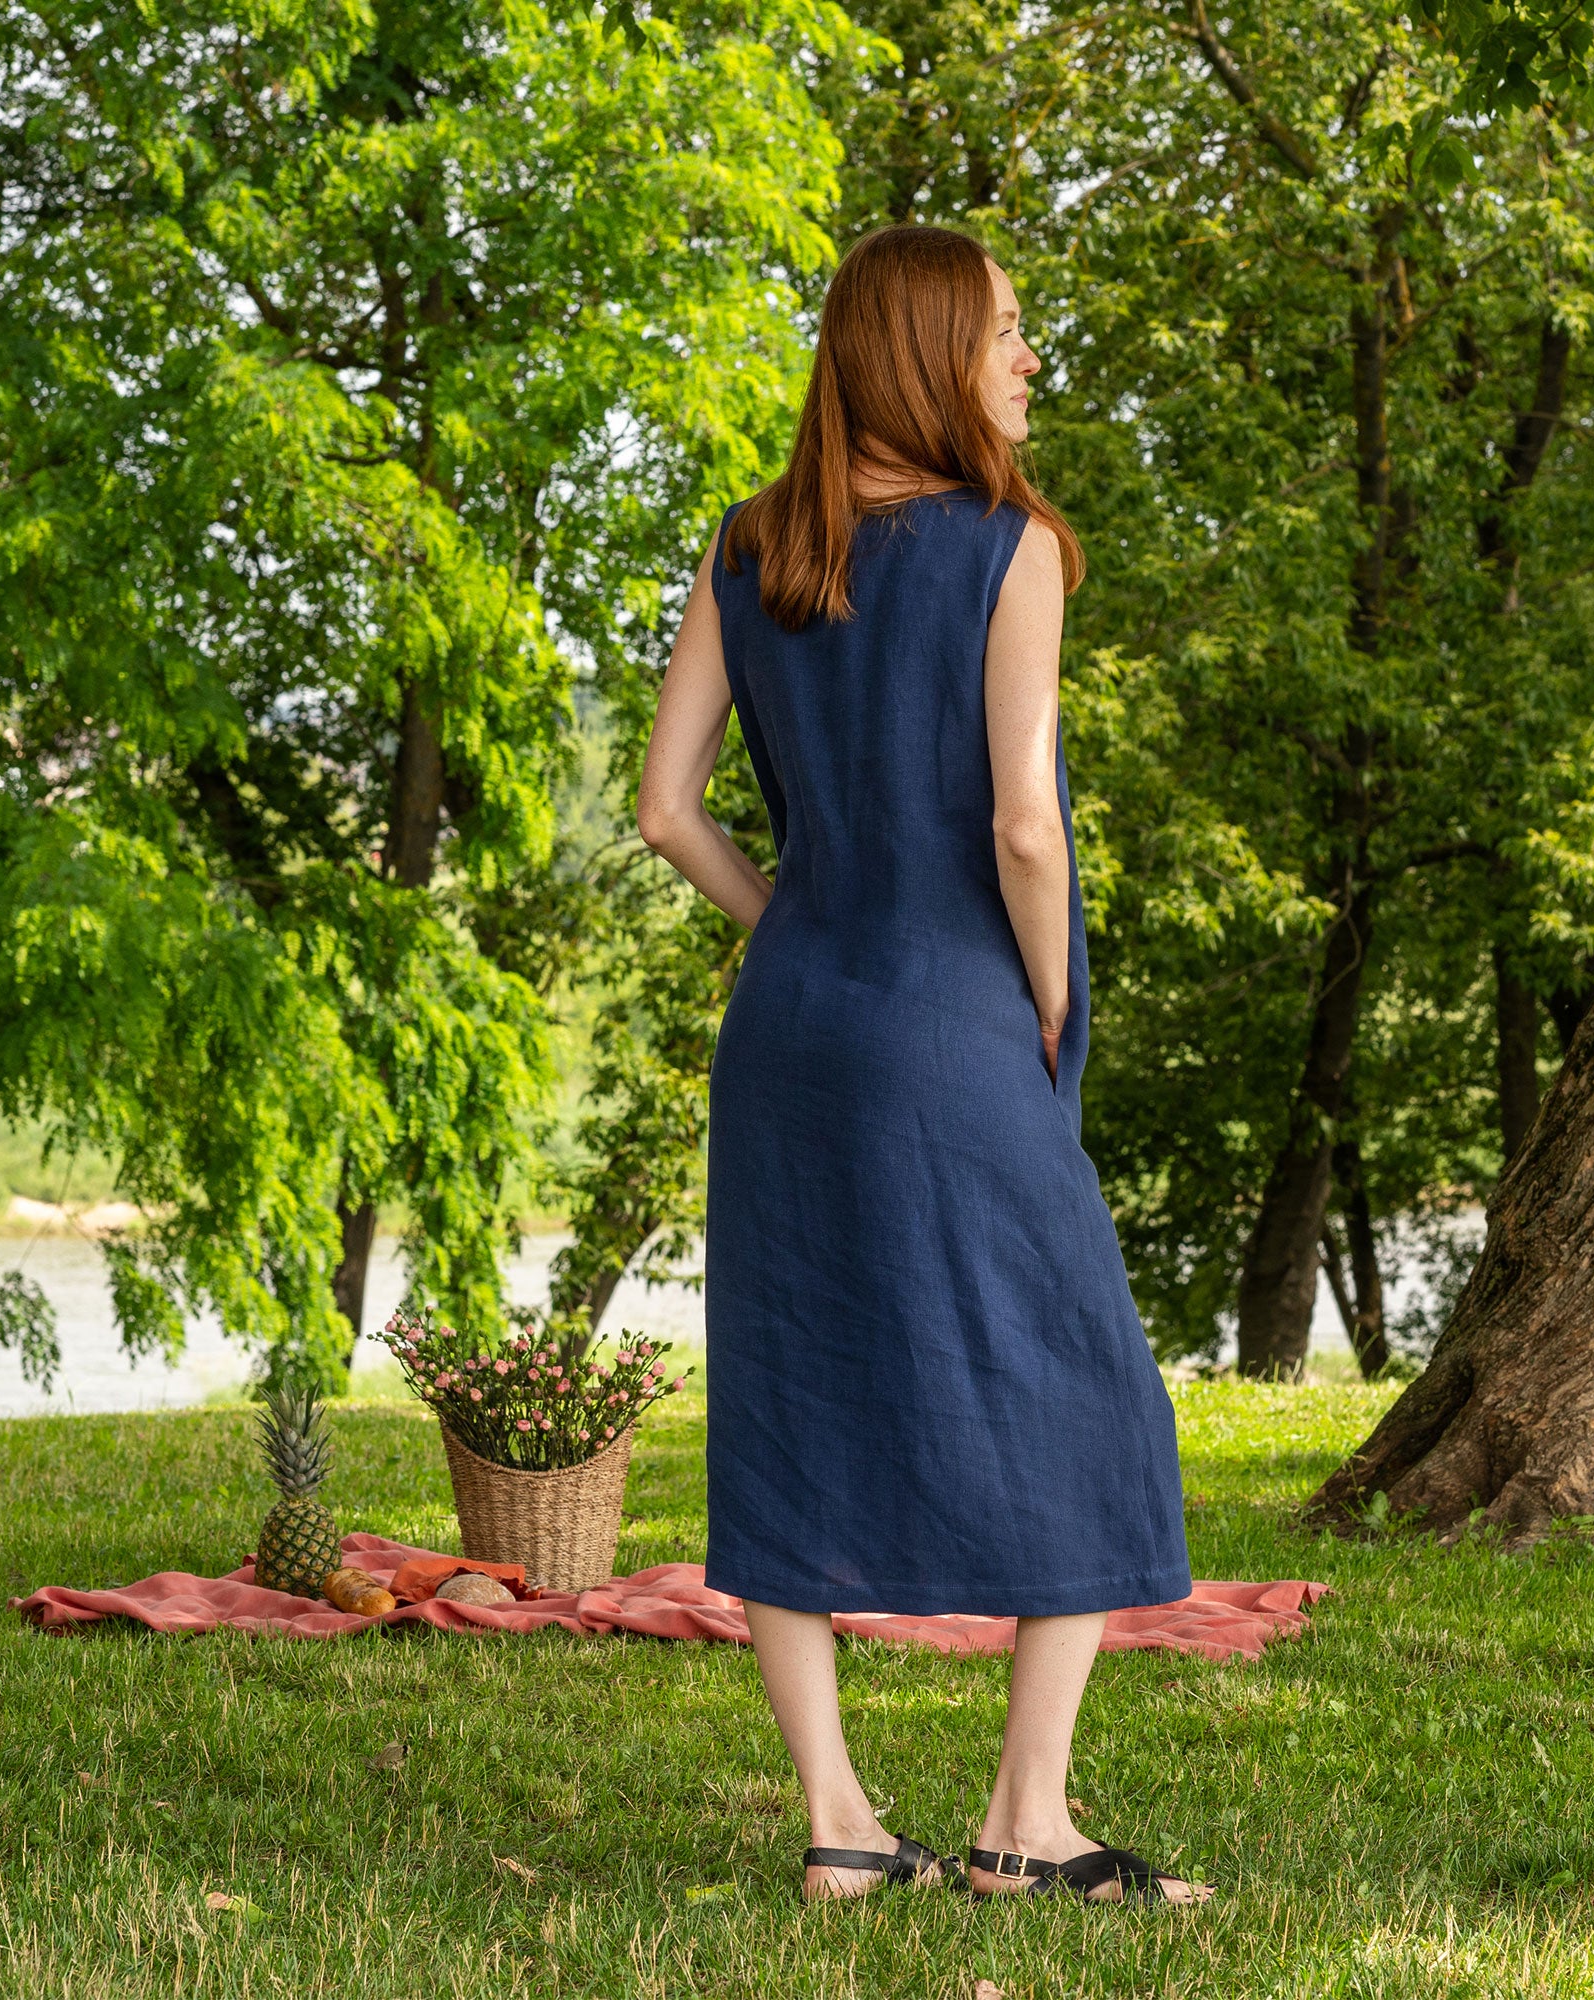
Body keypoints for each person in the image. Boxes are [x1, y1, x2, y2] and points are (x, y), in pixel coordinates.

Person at [636, 223, 1205, 1906]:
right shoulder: (1012, 547)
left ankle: (841, 1824)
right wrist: (1050, 1006)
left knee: (791, 1382)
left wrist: (792, 922)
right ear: (931, 352)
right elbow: (1026, 826)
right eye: (1007, 330)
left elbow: (666, 811)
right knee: (1087, 1384)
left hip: (795, 1024)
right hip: (959, 1015)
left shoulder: (753, 545)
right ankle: (1027, 1824)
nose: (1029, 360)